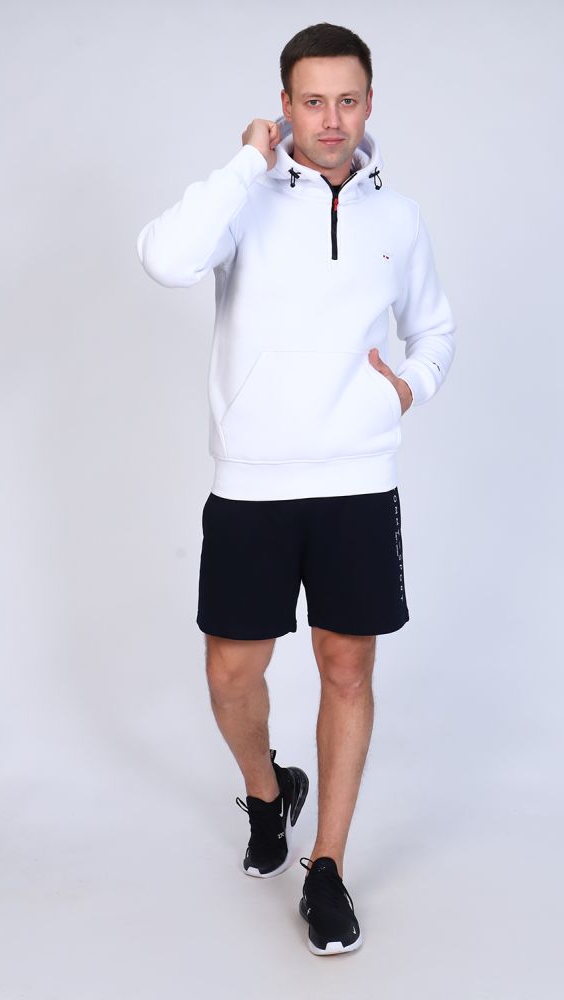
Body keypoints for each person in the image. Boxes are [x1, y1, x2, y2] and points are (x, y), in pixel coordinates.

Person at [136, 21, 456, 956]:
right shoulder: (245, 199)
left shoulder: (399, 219)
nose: (331, 120)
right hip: (253, 481)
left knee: (346, 669)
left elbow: (435, 330)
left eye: (347, 100)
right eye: (312, 102)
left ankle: (326, 868)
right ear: (284, 105)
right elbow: (165, 258)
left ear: (369, 103)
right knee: (230, 674)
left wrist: (406, 388)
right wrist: (246, 162)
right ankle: (269, 793)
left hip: (357, 478)